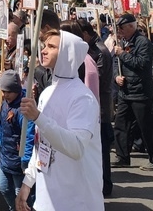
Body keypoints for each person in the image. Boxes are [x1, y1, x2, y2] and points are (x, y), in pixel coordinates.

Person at [15, 29, 103, 211]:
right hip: (47, 197)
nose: (44, 50)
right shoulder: (47, 93)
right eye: (44, 46)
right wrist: (28, 181)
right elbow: (42, 144)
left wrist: (39, 118)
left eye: (52, 46)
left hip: (77, 200)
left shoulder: (83, 98)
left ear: (66, 53)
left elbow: (76, 147)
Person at [112, 13, 153, 171]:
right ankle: (122, 156)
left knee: (146, 127)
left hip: (140, 92)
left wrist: (123, 54)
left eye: (121, 28)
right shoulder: (123, 42)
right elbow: (117, 63)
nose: (119, 31)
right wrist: (116, 76)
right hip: (125, 91)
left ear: (131, 26)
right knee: (121, 125)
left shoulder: (143, 42)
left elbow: (142, 64)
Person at [78, 19, 114, 198]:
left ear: (85, 34)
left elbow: (96, 80)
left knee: (101, 148)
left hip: (101, 106)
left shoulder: (99, 51)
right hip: (95, 105)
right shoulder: (90, 49)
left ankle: (105, 184)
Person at [0, 70, 34, 211]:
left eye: (8, 92)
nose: (5, 95)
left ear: (16, 90)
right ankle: (14, 208)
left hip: (19, 158)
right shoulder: (5, 104)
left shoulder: (23, 108)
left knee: (21, 192)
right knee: (3, 186)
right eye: (3, 91)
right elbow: (1, 126)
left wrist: (25, 158)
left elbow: (29, 135)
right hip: (5, 154)